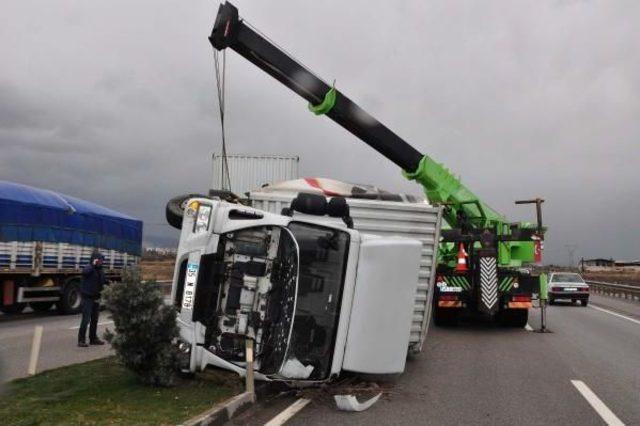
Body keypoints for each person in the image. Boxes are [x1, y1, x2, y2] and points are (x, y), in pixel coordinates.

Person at [77, 251, 106, 347]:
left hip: (96, 298)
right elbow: (85, 272)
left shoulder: (101, 270)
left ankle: (93, 338)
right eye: (100, 260)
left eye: (102, 260)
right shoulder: (89, 268)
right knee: (86, 319)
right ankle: (81, 340)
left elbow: (103, 282)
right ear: (95, 260)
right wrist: (93, 265)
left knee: (95, 319)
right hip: (87, 298)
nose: (101, 262)